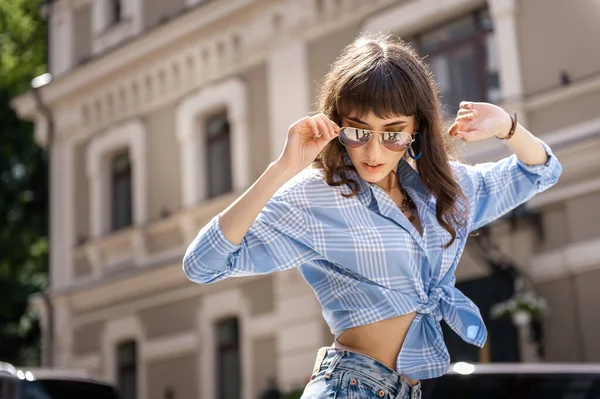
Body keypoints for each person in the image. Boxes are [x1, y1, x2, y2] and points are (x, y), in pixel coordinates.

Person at [182, 33, 562, 399]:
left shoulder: (441, 190)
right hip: (349, 386)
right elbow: (203, 265)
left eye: (393, 133)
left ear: (417, 129)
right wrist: (283, 167)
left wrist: (508, 128)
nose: (374, 151)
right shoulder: (318, 196)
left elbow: (541, 172)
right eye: (358, 131)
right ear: (338, 125)